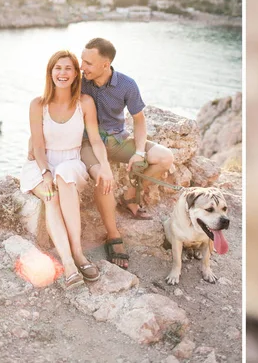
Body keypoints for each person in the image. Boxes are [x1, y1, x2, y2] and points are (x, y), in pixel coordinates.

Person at [20, 50, 114, 289]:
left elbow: (94, 140)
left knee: (64, 174)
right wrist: (45, 172)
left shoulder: (85, 103)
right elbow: (38, 146)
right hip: (42, 164)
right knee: (51, 198)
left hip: (71, 161)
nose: (62, 73)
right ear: (50, 72)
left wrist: (104, 167)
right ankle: (70, 264)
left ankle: (79, 253)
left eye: (68, 68)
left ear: (75, 74)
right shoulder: (37, 105)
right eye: (57, 68)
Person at [79, 38, 174, 269]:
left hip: (119, 141)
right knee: (103, 177)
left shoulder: (127, 85)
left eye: (88, 63)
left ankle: (130, 196)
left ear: (106, 64)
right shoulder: (79, 82)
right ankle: (113, 235)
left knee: (165, 157)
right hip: (88, 144)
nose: (82, 66)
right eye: (82, 60)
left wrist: (139, 151)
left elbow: (139, 121)